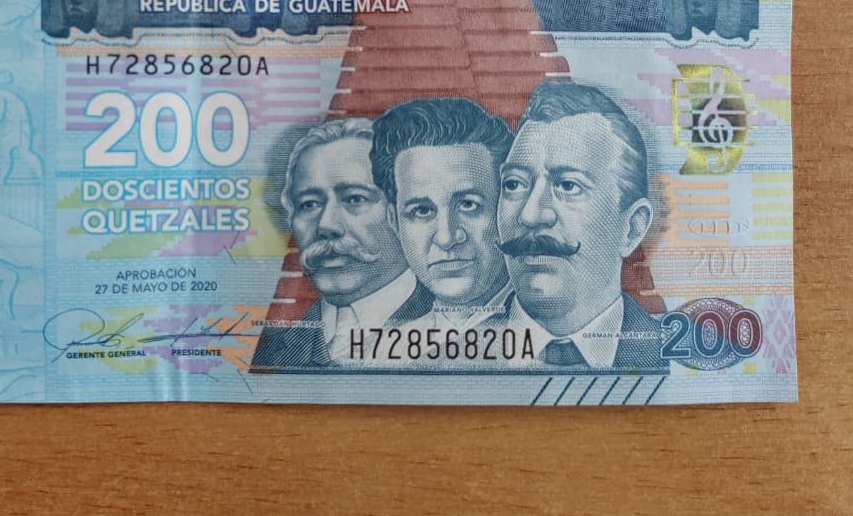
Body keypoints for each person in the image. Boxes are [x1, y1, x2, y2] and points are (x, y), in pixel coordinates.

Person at [492, 81, 666, 371]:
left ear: (632, 229)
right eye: (514, 184)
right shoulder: (444, 358)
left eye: (568, 186)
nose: (530, 215)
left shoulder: (679, 358)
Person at [252, 118, 433, 370]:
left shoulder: (464, 327)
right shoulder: (267, 354)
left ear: (405, 211)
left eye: (354, 199)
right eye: (309, 204)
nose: (326, 224)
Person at [370, 98, 514, 333]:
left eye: (468, 204)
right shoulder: (381, 338)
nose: (446, 238)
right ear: (394, 222)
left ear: (506, 209)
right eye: (422, 211)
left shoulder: (556, 332)